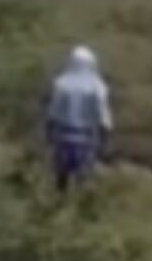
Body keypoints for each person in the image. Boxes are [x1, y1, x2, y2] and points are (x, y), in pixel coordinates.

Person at [45, 45, 113, 192]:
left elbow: (53, 112)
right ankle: (79, 209)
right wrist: (105, 138)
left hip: (63, 135)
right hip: (86, 137)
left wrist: (49, 135)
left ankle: (57, 206)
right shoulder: (98, 86)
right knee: (83, 176)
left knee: (61, 176)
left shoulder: (61, 84)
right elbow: (103, 116)